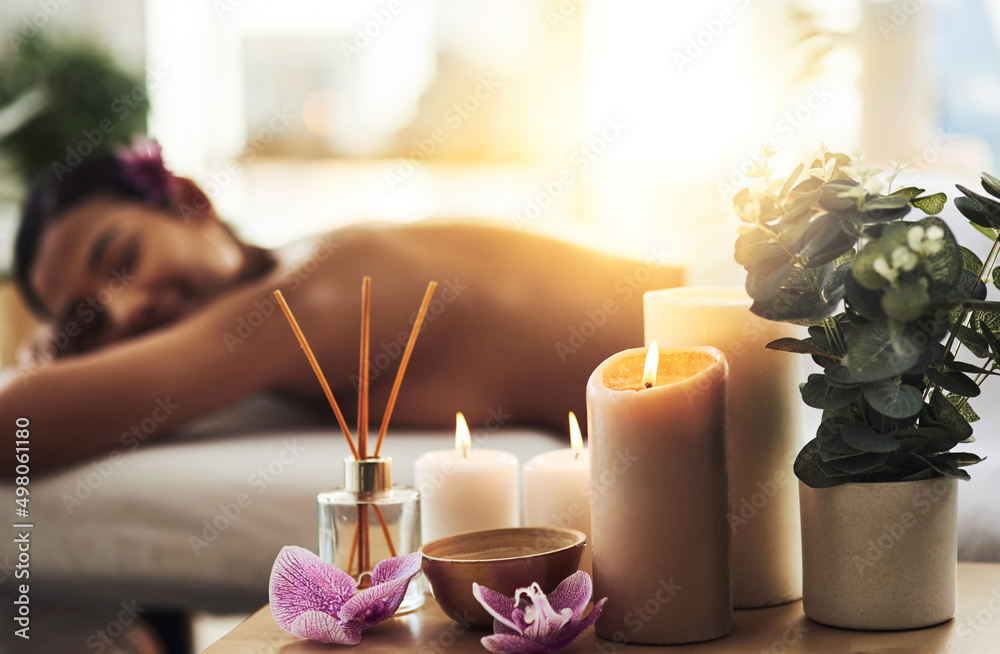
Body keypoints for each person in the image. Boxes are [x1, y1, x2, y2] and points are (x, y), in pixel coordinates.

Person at [0, 139, 683, 476]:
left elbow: (14, 428)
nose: (124, 314)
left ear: (188, 201)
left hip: (754, 336)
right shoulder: (297, 268)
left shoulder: (314, 293)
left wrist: (48, 366)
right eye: (91, 317)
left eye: (121, 262)